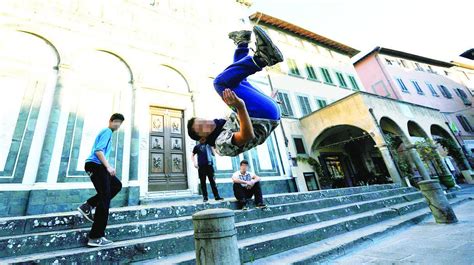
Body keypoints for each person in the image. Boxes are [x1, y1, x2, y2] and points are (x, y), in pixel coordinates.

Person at [187, 26, 283, 157]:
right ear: (203, 139)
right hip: (262, 117)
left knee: (237, 81)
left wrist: (269, 100)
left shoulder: (222, 124)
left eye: (202, 120)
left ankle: (242, 44)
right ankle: (263, 58)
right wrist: (240, 107)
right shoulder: (220, 145)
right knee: (220, 83)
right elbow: (247, 136)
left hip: (266, 111)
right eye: (201, 127)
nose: (206, 122)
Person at [77, 113, 124, 247]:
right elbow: (98, 151)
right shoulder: (107, 131)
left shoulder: (108, 132)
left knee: (116, 185)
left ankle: (88, 205)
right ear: (110, 121)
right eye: (116, 122)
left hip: (96, 165)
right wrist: (108, 166)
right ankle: (95, 236)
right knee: (105, 198)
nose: (118, 125)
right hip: (96, 165)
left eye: (120, 123)